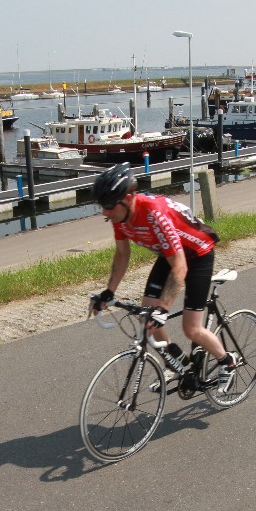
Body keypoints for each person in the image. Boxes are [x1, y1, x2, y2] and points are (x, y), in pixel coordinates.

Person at [88, 163, 238, 383]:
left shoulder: (154, 213)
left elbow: (180, 266)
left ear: (128, 198)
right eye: (102, 206)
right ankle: (177, 360)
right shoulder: (120, 217)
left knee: (191, 328)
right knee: (146, 315)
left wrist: (163, 308)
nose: (105, 212)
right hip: (169, 254)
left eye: (109, 206)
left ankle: (228, 361)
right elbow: (122, 254)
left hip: (197, 255)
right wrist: (108, 292)